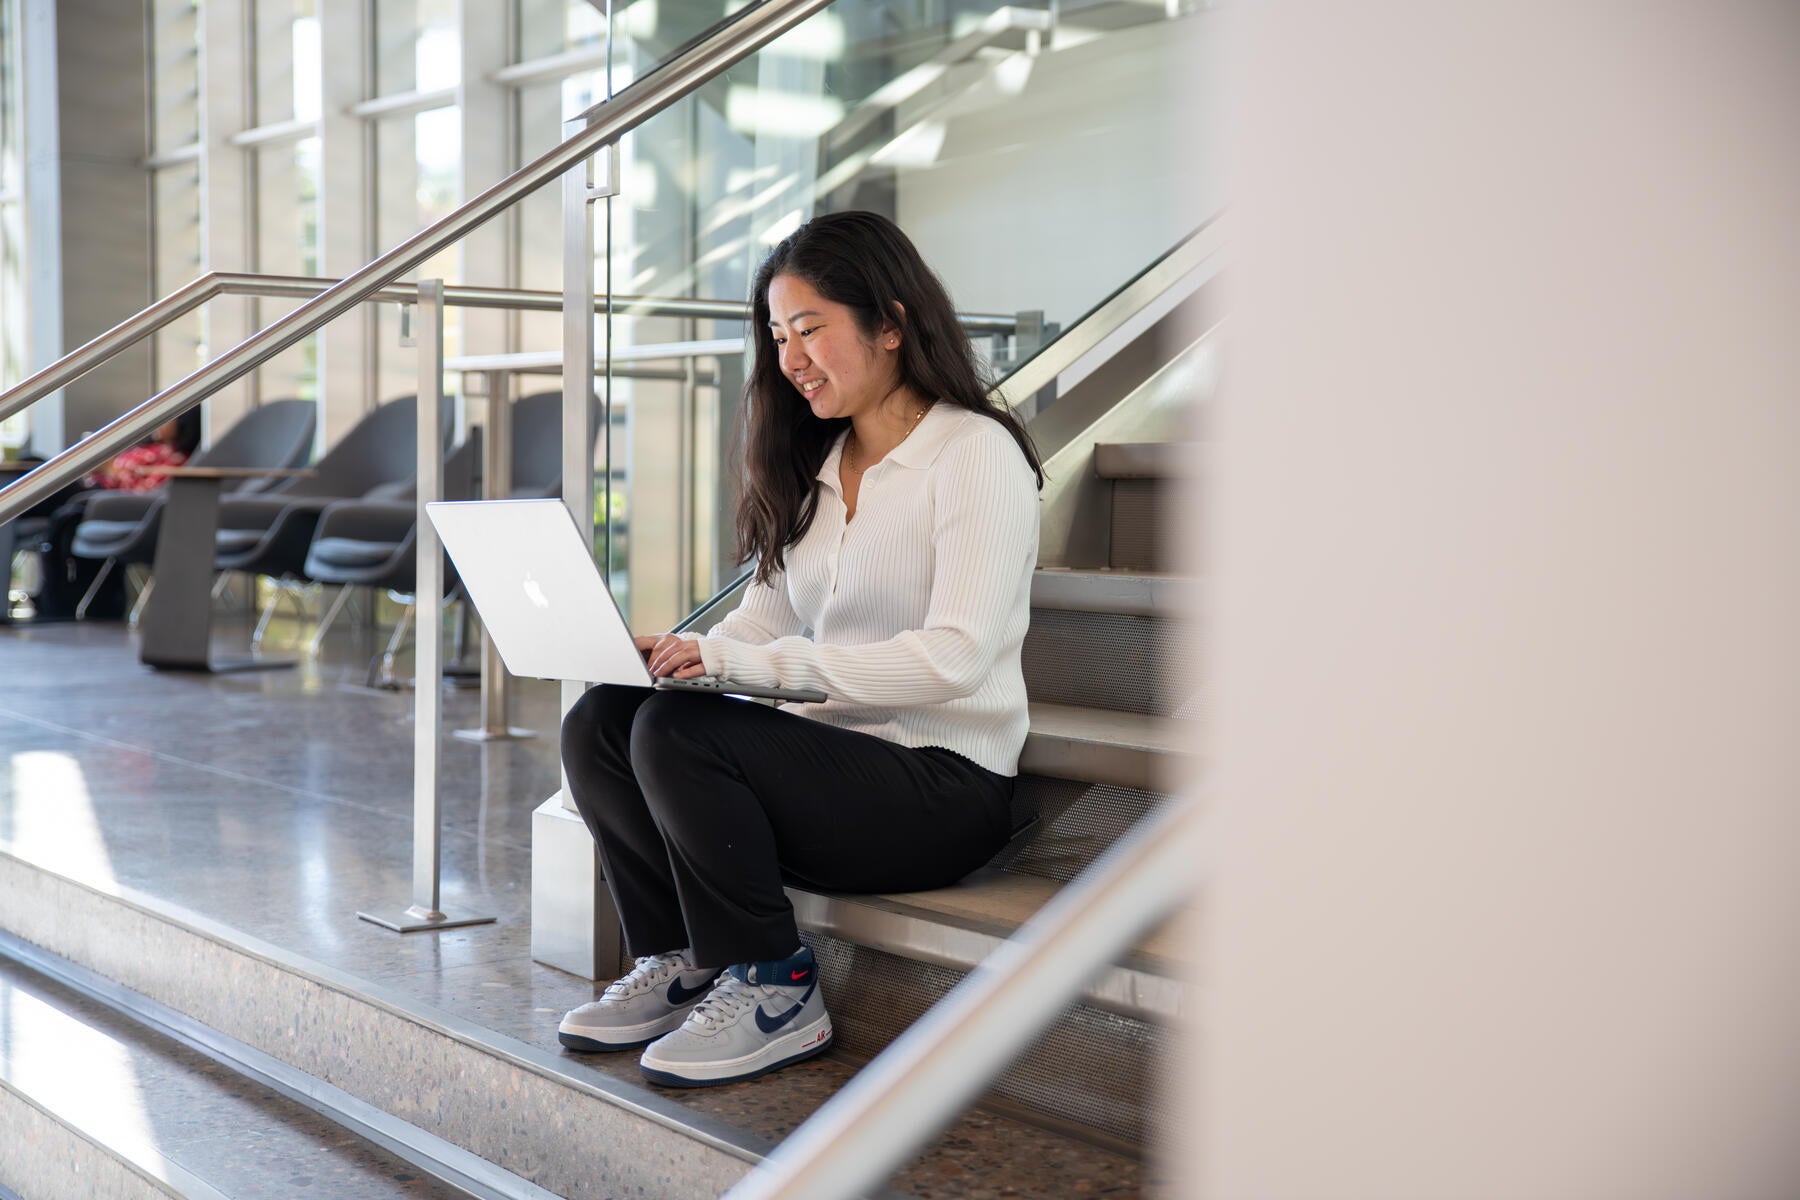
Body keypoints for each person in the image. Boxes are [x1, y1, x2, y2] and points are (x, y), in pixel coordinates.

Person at [556, 211, 1044, 1087]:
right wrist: (678, 653)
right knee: (604, 718)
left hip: (941, 783)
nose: (790, 359)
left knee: (679, 736)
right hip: (835, 769)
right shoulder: (817, 467)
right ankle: (684, 961)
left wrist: (746, 670)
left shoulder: (975, 455)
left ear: (891, 325)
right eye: (778, 336)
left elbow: (957, 657)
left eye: (811, 330)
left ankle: (778, 987)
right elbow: (759, 624)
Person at [17, 408, 202, 620]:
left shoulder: (177, 459)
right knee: (33, 468)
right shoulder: (149, 448)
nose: (159, 422)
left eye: (167, 418)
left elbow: (145, 494)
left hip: (106, 499)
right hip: (94, 494)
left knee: (36, 471)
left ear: (184, 423)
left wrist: (110, 470)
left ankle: (13, 512)